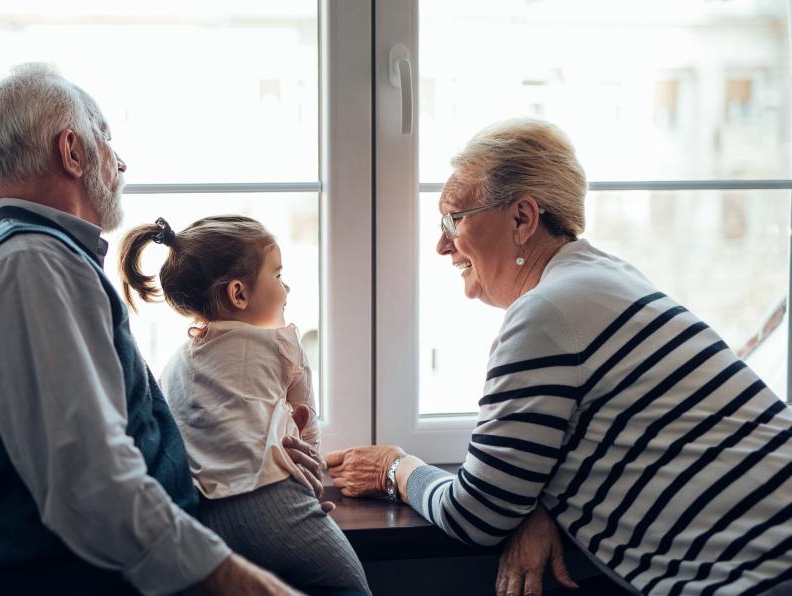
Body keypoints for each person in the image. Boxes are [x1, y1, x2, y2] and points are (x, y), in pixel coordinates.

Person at [325, 118, 792, 596]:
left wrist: (394, 468)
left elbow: (477, 514)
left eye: (454, 219)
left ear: (523, 219)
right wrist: (540, 505)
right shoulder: (604, 277)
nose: (443, 245)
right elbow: (595, 443)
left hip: (751, 576)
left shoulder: (545, 313)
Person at [0, 62, 327, 596]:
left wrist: (261, 455)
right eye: (107, 142)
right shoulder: (31, 264)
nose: (120, 162)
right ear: (71, 152)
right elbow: (95, 485)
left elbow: (114, 439)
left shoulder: (43, 260)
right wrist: (252, 587)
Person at [118, 216, 371, 594]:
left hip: (205, 517)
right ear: (238, 293)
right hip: (275, 503)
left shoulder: (172, 367)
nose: (287, 287)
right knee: (350, 589)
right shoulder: (283, 344)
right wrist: (311, 492)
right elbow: (308, 433)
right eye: (278, 274)